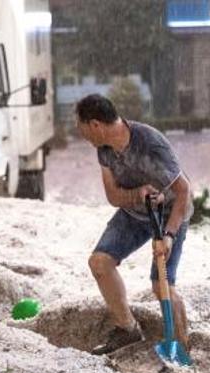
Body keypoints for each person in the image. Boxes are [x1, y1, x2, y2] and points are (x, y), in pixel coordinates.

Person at [75, 94, 193, 355]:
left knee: (161, 284)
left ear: (95, 125)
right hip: (134, 214)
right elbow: (113, 197)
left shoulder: (150, 144)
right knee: (100, 263)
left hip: (170, 212)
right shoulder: (104, 150)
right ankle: (127, 329)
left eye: (81, 126)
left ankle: (181, 348)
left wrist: (169, 235)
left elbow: (184, 192)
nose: (80, 133)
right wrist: (137, 193)